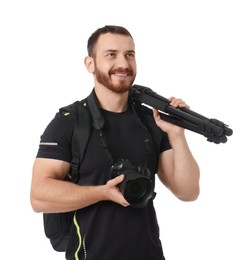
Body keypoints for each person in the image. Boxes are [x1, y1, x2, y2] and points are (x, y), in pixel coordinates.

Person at [30, 25, 200, 260]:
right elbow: (38, 196)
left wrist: (177, 135)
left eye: (129, 54)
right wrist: (102, 192)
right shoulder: (69, 122)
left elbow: (188, 191)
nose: (123, 63)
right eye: (111, 54)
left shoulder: (151, 120)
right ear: (90, 64)